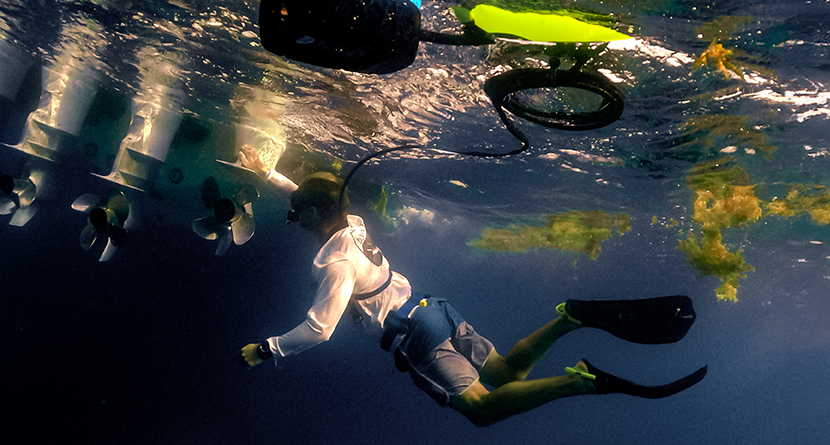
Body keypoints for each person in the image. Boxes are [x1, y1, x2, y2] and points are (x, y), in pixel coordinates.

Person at [236, 146, 705, 427]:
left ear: (317, 215)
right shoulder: (352, 224)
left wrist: (267, 348)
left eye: (300, 213)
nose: (295, 218)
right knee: (503, 373)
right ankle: (568, 319)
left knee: (483, 410)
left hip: (415, 338)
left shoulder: (337, 263)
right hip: (436, 309)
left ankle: (579, 383)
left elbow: (319, 330)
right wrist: (266, 173)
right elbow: (313, 196)